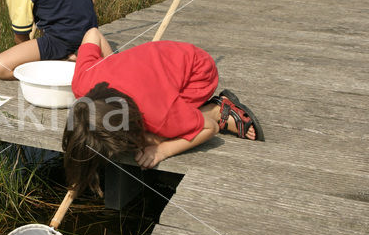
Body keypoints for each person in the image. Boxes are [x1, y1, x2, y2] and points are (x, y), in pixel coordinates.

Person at [62, 27, 264, 196]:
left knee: (152, 140)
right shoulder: (82, 83)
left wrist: (161, 150)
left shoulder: (159, 115)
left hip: (198, 72)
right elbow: (93, 33)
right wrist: (115, 62)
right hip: (157, 62)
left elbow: (209, 130)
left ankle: (218, 109)